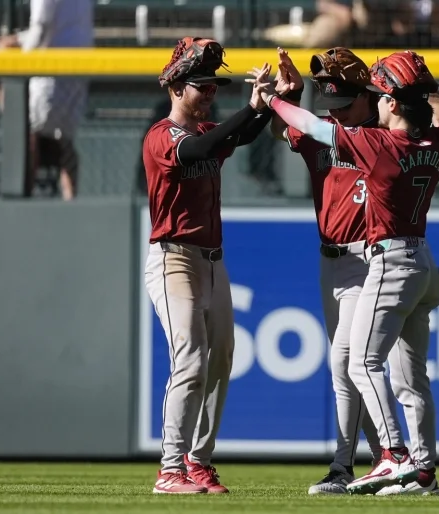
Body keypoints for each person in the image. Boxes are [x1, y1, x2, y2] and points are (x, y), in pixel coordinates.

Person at [256, 49, 439, 495]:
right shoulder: (435, 143)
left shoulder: (380, 144)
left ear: (389, 101)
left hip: (387, 260)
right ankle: (424, 472)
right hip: (419, 256)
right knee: (412, 378)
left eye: (383, 94)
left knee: (361, 362)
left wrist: (273, 100)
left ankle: (393, 456)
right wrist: (420, 86)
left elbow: (314, 126)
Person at [143, 37, 272, 495]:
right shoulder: (164, 135)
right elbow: (205, 148)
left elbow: (239, 135)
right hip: (173, 258)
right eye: (202, 86)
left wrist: (264, 105)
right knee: (192, 358)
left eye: (215, 86)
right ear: (176, 86)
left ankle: (198, 461)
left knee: (220, 361)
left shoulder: (204, 133)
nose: (211, 93)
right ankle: (170, 469)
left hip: (213, 261)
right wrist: (249, 113)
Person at [268, 47, 384, 494]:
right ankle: (387, 460)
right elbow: (284, 128)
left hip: (369, 258)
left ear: (368, 95)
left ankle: (343, 465)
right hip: (330, 259)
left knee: (346, 362)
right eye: (329, 103)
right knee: (355, 367)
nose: (337, 111)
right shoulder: (325, 130)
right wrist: (290, 94)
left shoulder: (386, 135)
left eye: (345, 102)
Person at [0, 0, 93, 200]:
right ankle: (71, 201)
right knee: (65, 142)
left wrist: (17, 52)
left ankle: (23, 200)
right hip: (80, 67)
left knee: (29, 135)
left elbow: (41, 28)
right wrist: (16, 39)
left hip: (50, 71)